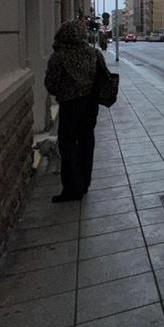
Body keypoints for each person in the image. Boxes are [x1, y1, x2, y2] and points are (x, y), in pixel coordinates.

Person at [44, 19, 108, 202]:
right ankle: (84, 182)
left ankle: (72, 187)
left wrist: (65, 90)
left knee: (68, 144)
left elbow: (51, 84)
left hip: (70, 105)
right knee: (87, 141)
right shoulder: (94, 54)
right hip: (90, 105)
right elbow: (104, 77)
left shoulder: (60, 56)